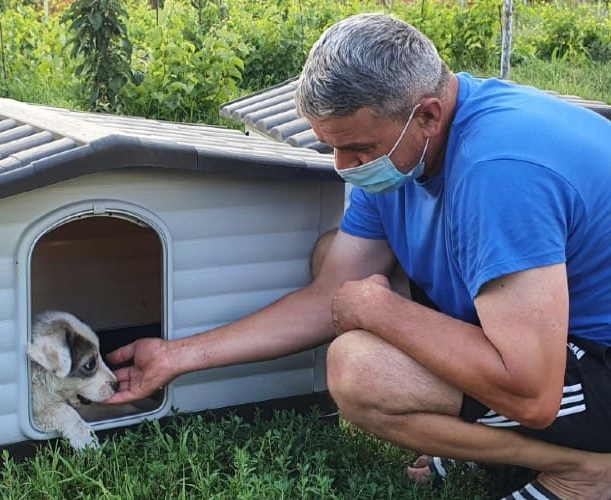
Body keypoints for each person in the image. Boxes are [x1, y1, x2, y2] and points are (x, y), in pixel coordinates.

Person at [106, 12, 611, 498]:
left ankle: (582, 471)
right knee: (334, 256)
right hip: (546, 333)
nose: (344, 167)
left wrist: (383, 311)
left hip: (586, 360)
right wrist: (177, 356)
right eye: (332, 147)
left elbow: (534, 394)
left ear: (428, 115)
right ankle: (506, 438)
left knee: (359, 369)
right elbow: (330, 296)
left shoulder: (498, 171)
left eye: (359, 150)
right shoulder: (407, 144)